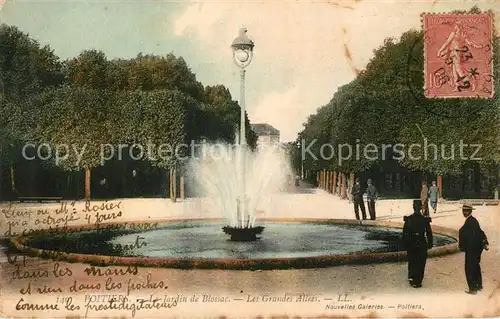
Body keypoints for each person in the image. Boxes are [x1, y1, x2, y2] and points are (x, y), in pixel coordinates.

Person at [459, 203, 489, 294]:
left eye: (466, 211)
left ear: (470, 211)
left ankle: (473, 288)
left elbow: (469, 235)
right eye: (463, 210)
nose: (464, 212)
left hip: (471, 249)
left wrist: (464, 247)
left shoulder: (470, 222)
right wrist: (484, 242)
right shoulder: (473, 220)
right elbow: (480, 232)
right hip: (476, 249)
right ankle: (478, 285)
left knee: (470, 268)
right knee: (476, 266)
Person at [403, 199, 433, 288]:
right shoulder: (424, 220)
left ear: (413, 207)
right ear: (421, 208)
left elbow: (405, 233)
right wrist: (430, 244)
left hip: (412, 242)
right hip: (421, 242)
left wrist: (405, 244)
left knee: (412, 261)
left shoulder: (409, 219)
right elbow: (429, 233)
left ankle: (412, 278)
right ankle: (418, 280)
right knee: (421, 262)